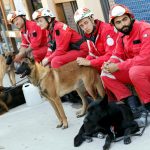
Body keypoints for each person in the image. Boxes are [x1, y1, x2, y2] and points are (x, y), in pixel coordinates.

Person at [101, 4, 150, 118]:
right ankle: (132, 106)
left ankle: (148, 106)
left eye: (125, 19)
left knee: (135, 71)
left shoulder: (145, 29)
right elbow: (117, 54)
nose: (123, 24)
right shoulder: (122, 35)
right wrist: (109, 63)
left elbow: (146, 59)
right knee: (105, 74)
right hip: (137, 71)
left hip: (145, 68)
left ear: (131, 17)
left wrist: (119, 66)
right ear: (114, 25)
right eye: (118, 22)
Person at [74, 7, 118, 72]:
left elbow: (111, 55)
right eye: (81, 26)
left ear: (92, 19)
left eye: (86, 22)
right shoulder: (89, 34)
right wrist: (84, 61)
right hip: (103, 63)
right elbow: (92, 54)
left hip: (115, 63)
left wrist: (89, 62)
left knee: (103, 76)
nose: (85, 27)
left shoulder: (106, 30)